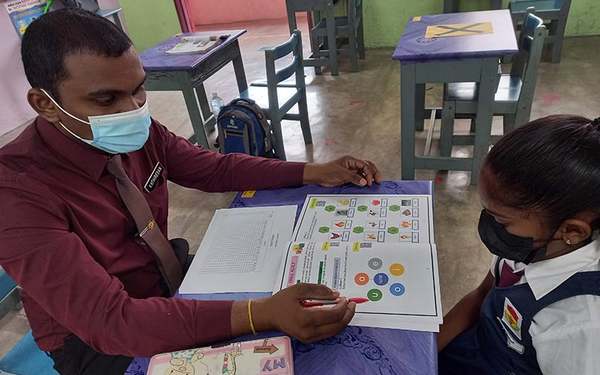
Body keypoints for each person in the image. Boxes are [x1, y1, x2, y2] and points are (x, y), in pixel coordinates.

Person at [0, 8, 383, 375]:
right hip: (96, 343)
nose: (132, 109)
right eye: (106, 99)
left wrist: (315, 172)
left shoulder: (138, 133)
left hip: (163, 278)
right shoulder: (16, 191)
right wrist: (258, 313)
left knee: (301, 286)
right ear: (45, 104)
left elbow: (214, 168)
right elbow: (112, 322)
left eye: (138, 90)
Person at [437, 115, 600, 374]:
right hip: (476, 351)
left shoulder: (579, 324)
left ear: (572, 231)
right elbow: (480, 297)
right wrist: (425, 354)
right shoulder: (529, 246)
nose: (489, 225)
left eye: (500, 219)